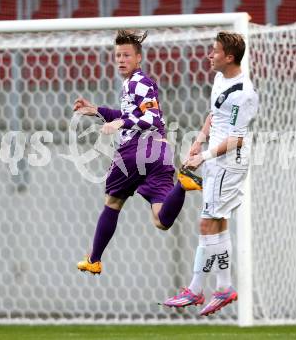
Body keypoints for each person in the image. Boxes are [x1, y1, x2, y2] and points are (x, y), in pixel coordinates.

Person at [74, 30, 202, 275]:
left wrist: (119, 124)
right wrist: (97, 110)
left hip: (136, 149)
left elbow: (150, 117)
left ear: (139, 58)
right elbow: (134, 115)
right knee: (161, 220)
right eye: (118, 55)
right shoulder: (134, 84)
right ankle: (183, 185)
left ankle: (94, 259)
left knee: (112, 202)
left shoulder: (138, 82)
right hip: (160, 151)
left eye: (127, 55)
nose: (121, 59)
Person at [163, 31, 258, 316]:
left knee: (207, 224)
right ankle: (223, 287)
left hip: (229, 162)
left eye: (214, 51)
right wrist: (199, 139)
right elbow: (214, 114)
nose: (209, 55)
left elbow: (238, 138)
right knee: (218, 223)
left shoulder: (244, 93)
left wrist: (203, 156)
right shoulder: (220, 79)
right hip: (216, 159)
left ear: (229, 57)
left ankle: (196, 289)